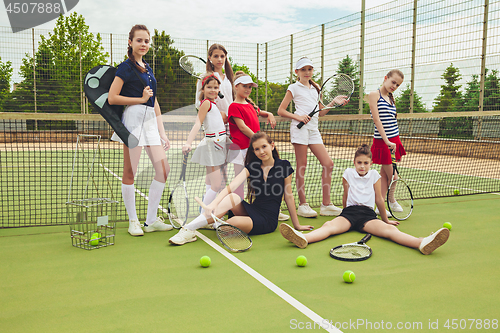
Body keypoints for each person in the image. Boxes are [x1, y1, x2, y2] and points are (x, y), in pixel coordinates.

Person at [279, 144, 449, 255]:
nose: (362, 166)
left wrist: (385, 220)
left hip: (368, 216)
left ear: (371, 163)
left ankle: (421, 243)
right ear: (354, 162)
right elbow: (345, 196)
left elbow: (379, 199)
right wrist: (342, 214)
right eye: (359, 162)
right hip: (349, 214)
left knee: (391, 232)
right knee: (329, 226)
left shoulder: (375, 175)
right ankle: (303, 238)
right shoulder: (348, 173)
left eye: (365, 163)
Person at [169, 132, 313, 245]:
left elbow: (288, 196)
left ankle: (213, 221)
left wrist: (297, 225)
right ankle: (188, 229)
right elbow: (231, 187)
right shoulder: (253, 167)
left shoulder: (284, 165)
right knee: (233, 197)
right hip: (253, 209)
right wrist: (213, 204)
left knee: (229, 226)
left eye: (264, 146)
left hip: (268, 219)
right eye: (257, 149)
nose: (261, 151)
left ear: (272, 146)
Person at [108, 24, 172, 236]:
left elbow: (154, 102)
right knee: (130, 171)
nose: (143, 44)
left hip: (151, 122)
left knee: (163, 169)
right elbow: (112, 97)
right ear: (130, 42)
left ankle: (151, 220)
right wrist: (140, 99)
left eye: (146, 41)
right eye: (139, 40)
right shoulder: (125, 68)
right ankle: (133, 221)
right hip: (133, 119)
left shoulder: (148, 68)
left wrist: (162, 132)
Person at [277, 57, 342, 218]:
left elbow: (321, 112)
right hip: (300, 130)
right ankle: (303, 205)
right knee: (302, 166)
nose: (307, 72)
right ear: (297, 72)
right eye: (303, 69)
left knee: (328, 163)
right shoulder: (294, 87)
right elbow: (281, 110)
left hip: (314, 130)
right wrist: (298, 117)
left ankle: (326, 205)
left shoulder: (316, 88)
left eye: (310, 69)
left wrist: (333, 102)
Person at [183, 74, 227, 212]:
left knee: (210, 182)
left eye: (216, 87)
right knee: (217, 185)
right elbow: (197, 123)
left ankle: (207, 215)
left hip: (219, 144)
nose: (213, 90)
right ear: (203, 89)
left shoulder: (213, 105)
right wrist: (188, 143)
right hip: (212, 145)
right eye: (209, 87)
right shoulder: (206, 103)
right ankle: (205, 215)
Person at [368, 69, 406, 217]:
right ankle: (391, 200)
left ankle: (380, 204)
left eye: (397, 85)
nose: (394, 86)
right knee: (394, 177)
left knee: (385, 175)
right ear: (386, 78)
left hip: (394, 140)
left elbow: (391, 121)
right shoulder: (374, 95)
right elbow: (377, 120)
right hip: (383, 142)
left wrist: (393, 141)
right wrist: (386, 141)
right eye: (393, 82)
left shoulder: (391, 98)